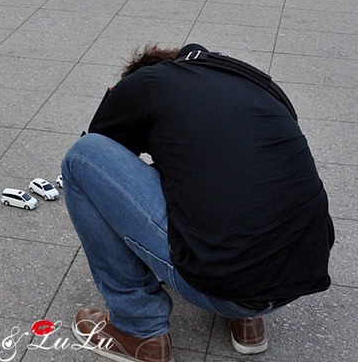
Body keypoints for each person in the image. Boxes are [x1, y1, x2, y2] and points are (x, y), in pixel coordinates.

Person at [62, 44, 334, 362]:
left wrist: (120, 97)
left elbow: (108, 150)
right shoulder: (251, 81)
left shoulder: (144, 84)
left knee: (84, 158)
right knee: (224, 172)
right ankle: (247, 320)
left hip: (230, 282)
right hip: (300, 274)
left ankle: (138, 329)